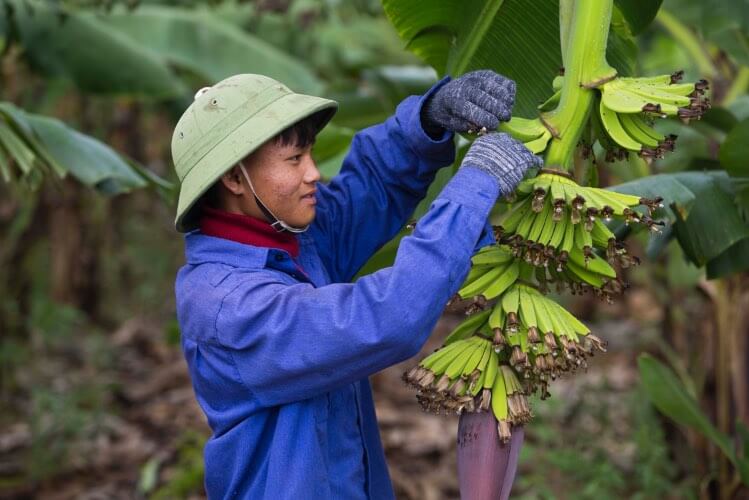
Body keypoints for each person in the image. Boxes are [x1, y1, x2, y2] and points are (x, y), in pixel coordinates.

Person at [171, 70, 541, 499]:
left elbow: (364, 194)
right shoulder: (229, 307)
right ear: (235, 180)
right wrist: (476, 184)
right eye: (294, 160)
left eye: (309, 153)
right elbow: (385, 318)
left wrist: (428, 121)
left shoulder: (294, 239)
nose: (313, 172)